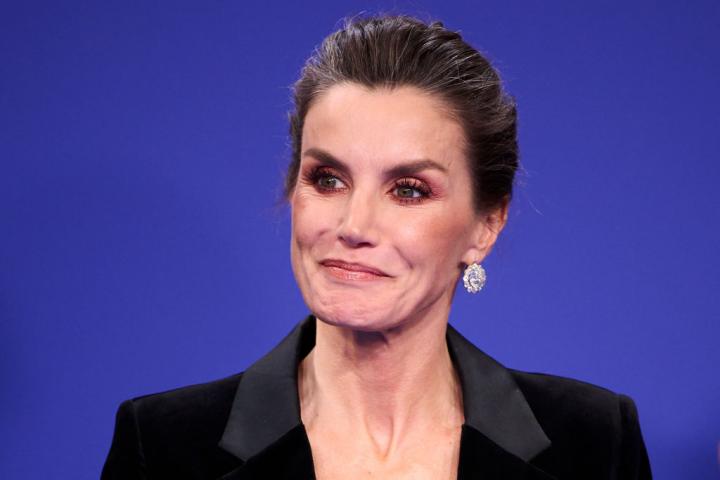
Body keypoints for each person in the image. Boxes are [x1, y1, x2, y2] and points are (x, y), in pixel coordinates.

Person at [101, 14, 652, 479]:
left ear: (486, 225)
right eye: (328, 180)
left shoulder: (594, 443)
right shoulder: (164, 448)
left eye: (408, 190)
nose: (354, 224)